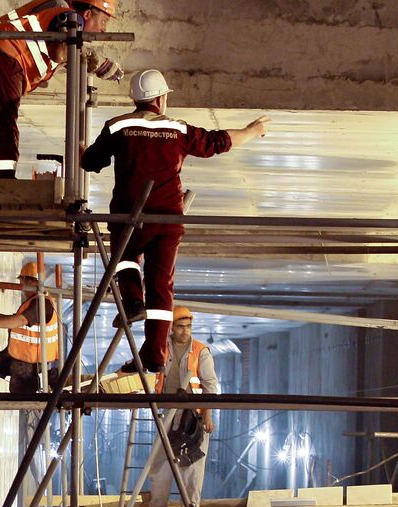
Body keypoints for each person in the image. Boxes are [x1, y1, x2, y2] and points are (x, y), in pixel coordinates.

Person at [81, 70, 269, 370]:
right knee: (161, 286)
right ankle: (154, 355)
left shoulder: (118, 126)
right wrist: (251, 131)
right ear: (161, 98)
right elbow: (217, 142)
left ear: (134, 99)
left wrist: (84, 154)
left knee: (125, 257)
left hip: (129, 215)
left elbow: (91, 162)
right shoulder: (177, 129)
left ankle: (131, 302)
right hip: (167, 219)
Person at [0, 0, 124, 178]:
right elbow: (59, 52)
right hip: (2, 56)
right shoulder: (69, 15)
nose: (104, 29)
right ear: (88, 12)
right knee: (2, 120)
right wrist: (88, 56)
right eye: (104, 21)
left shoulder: (54, 8)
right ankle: (2, 183)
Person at [146, 307, 219, 507]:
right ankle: (157, 505)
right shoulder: (163, 348)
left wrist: (208, 417)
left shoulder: (200, 351)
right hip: (168, 412)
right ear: (172, 328)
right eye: (180, 327)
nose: (185, 331)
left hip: (194, 417)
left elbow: (210, 387)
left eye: (188, 326)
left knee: (192, 465)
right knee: (161, 462)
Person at [0, 260, 61, 394]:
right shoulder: (35, 301)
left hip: (30, 358)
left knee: (20, 394)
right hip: (25, 353)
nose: (20, 285)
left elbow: (20, 320)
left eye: (21, 280)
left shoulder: (41, 303)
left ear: (29, 281)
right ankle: (44, 375)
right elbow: (16, 320)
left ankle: (38, 384)